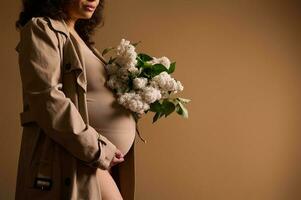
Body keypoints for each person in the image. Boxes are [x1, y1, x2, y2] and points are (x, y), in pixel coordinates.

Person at [15, 0, 137, 199]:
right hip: (77, 156)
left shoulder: (77, 36)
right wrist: (98, 149)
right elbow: (47, 100)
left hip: (95, 160)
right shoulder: (41, 28)